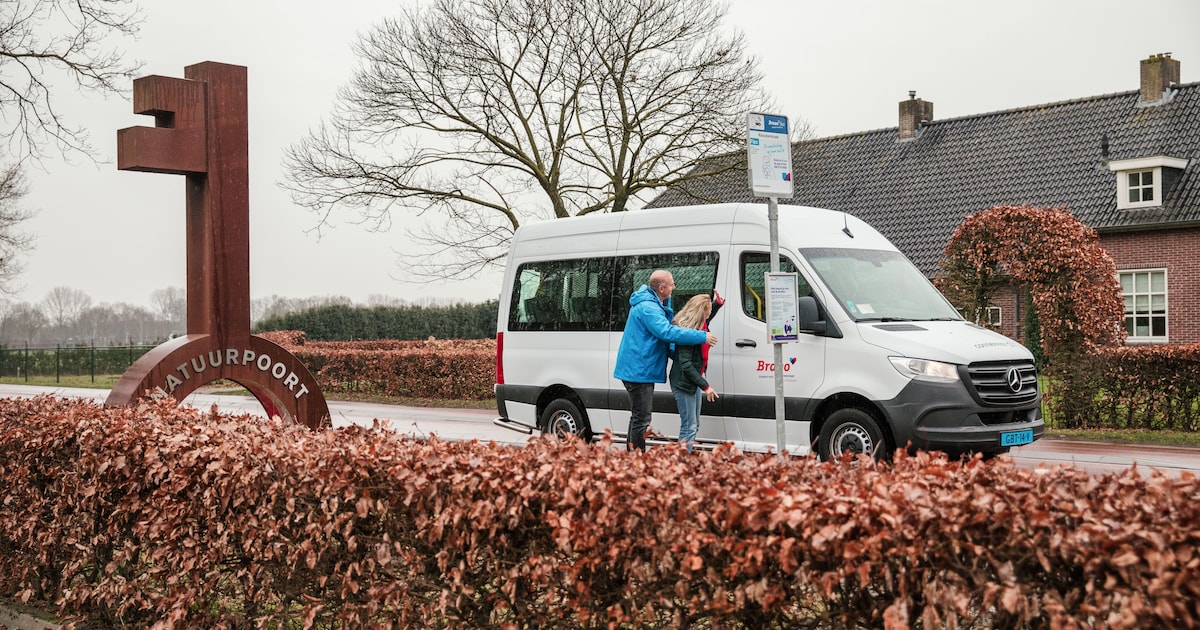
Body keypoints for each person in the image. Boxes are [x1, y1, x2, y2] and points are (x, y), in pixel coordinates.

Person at [614, 270, 717, 451]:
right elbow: (666, 333)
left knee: (638, 416)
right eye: (671, 284)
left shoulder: (655, 304)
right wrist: (701, 337)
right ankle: (636, 459)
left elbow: (665, 338)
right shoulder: (649, 308)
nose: (674, 287)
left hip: (639, 368)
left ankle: (632, 457)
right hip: (638, 370)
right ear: (661, 288)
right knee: (642, 418)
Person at [669, 294, 720, 452]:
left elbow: (707, 316)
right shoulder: (687, 333)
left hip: (692, 382)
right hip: (684, 383)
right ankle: (680, 464)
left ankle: (683, 460)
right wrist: (706, 386)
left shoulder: (701, 325)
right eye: (709, 310)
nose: (710, 312)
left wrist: (717, 304)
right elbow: (686, 365)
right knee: (689, 426)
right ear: (701, 312)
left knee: (694, 424)